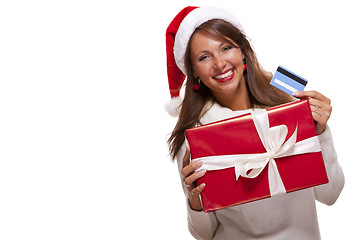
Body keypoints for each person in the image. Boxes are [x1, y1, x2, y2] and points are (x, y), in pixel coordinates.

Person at [165, 6, 344, 240]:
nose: (219, 63)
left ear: (243, 52)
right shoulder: (195, 137)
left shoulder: (289, 101)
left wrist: (321, 134)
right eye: (204, 57)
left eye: (226, 48)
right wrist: (195, 199)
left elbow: (330, 194)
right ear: (194, 72)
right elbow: (204, 234)